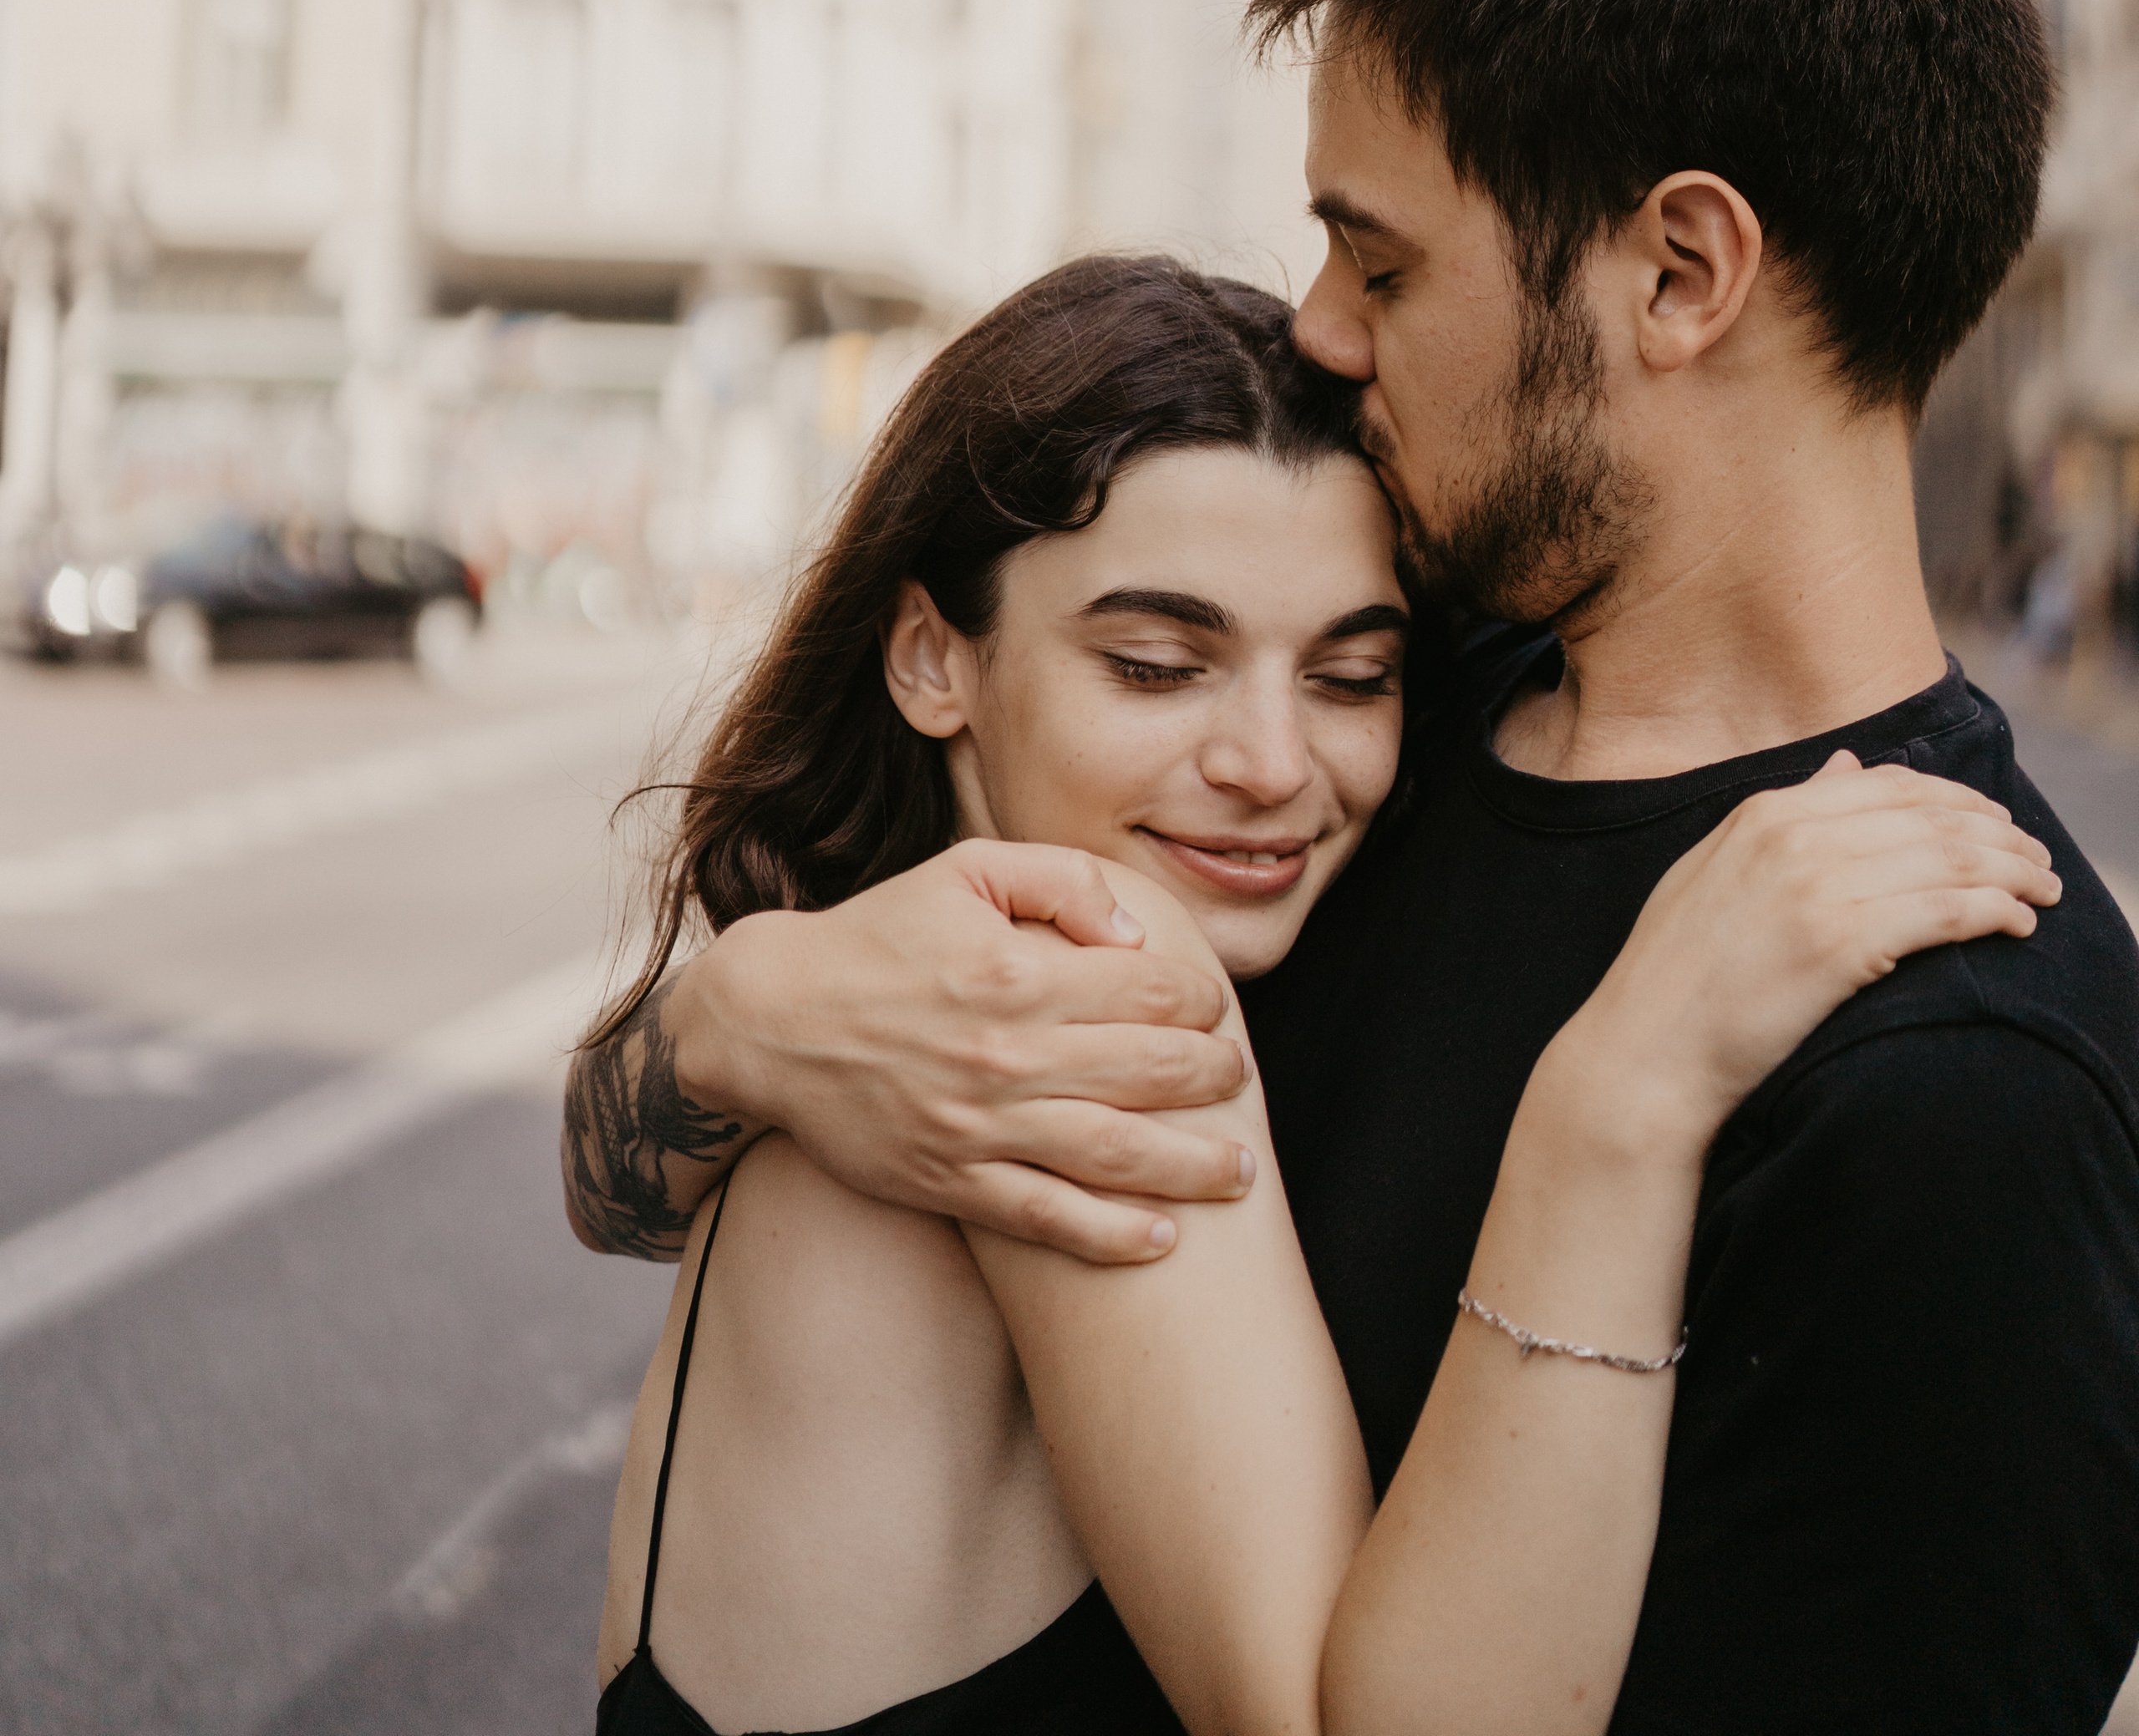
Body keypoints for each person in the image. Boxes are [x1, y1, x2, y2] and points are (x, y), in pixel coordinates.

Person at [567, 0, 2139, 1733]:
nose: (1313, 324)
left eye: (1379, 256)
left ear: (1679, 270)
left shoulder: (1959, 1079)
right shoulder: (1358, 727)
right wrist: (740, 1021)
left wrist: (1613, 1107)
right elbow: (633, 1168)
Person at [587, 251, 2054, 1736]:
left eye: (1354, 679)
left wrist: (721, 1015)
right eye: (1160, 665)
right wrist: (1628, 1088)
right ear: (930, 656)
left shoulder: (879, 961)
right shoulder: (1087, 995)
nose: (1273, 766)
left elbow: (609, 1192)